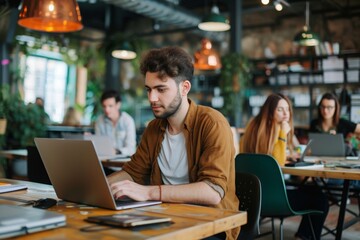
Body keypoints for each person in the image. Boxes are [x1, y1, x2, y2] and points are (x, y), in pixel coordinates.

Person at [107, 46, 239, 240]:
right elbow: (133, 172)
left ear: (184, 88)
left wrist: (149, 193)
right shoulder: (154, 128)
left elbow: (212, 191)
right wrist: (96, 188)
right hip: (164, 216)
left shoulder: (212, 123)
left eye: (161, 89)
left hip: (210, 223)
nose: (152, 98)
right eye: (149, 90)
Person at [240, 93, 329, 240]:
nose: (286, 113)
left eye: (287, 109)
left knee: (310, 191)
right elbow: (278, 162)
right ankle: (303, 237)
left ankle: (303, 236)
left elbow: (265, 157)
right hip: (274, 199)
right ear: (270, 112)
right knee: (320, 199)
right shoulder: (277, 130)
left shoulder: (253, 127)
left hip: (250, 198)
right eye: (280, 109)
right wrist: (282, 135)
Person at [95, 90, 137, 157]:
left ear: (118, 105)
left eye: (110, 106)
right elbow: (98, 146)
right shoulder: (100, 121)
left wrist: (116, 151)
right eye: (104, 106)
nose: (106, 110)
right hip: (105, 161)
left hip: (123, 163)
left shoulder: (127, 121)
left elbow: (131, 149)